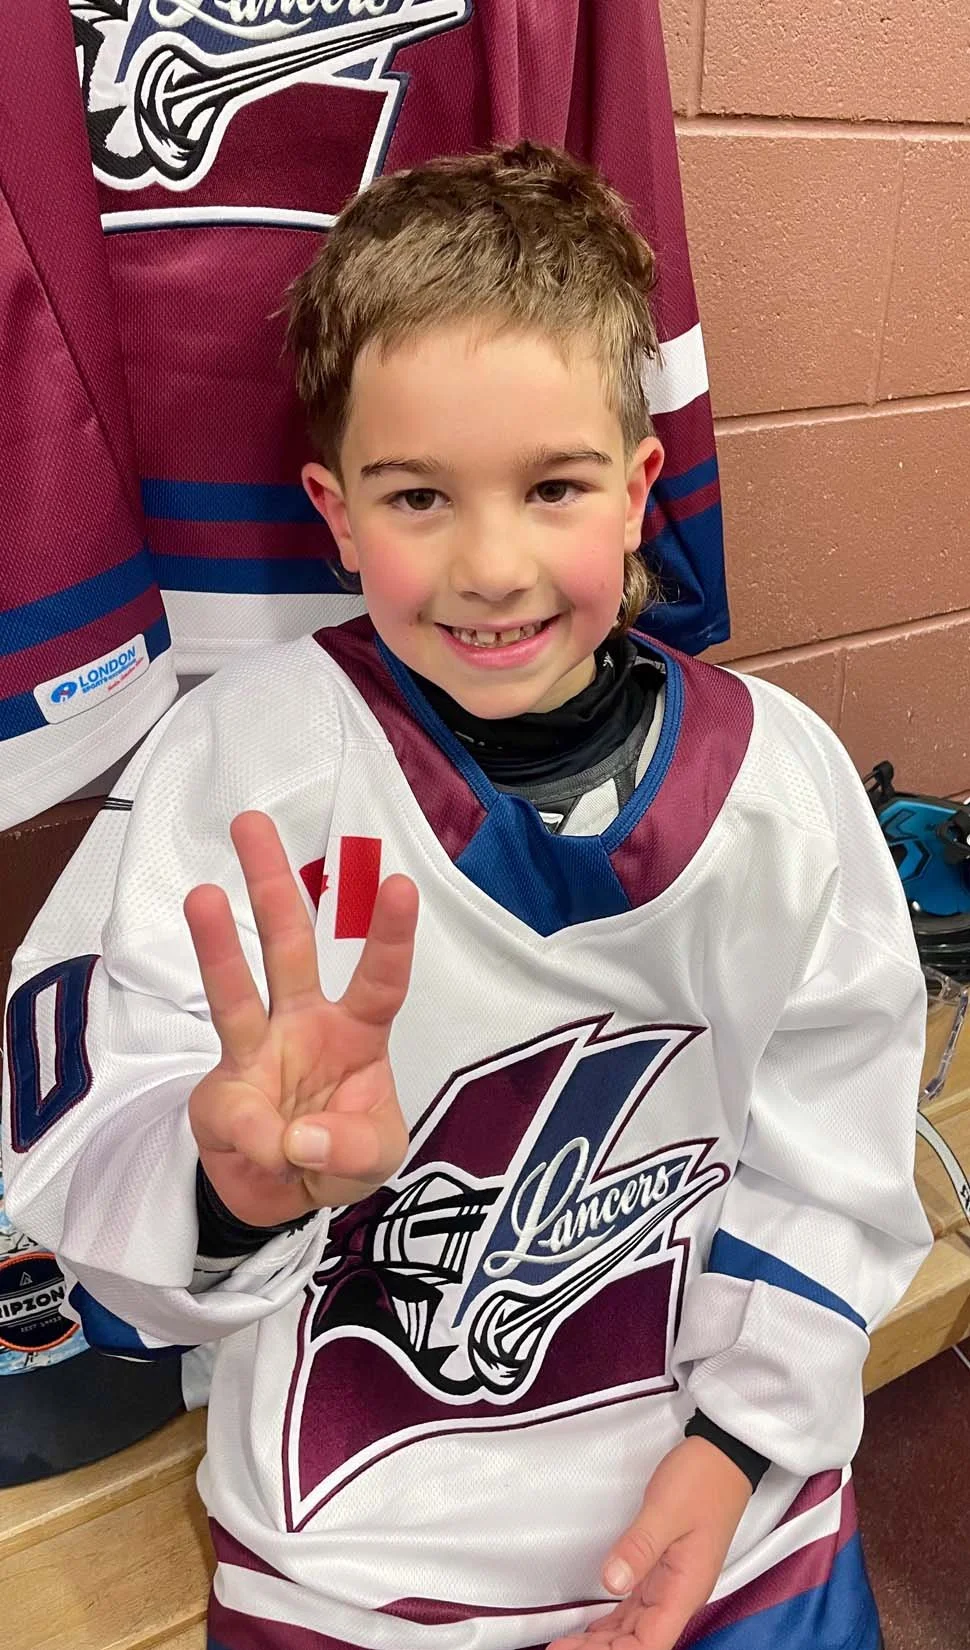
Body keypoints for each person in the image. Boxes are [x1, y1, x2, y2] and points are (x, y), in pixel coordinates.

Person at [2, 143, 930, 1650]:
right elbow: (81, 1146)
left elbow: (830, 1146)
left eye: (550, 486)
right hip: (360, 1580)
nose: (490, 565)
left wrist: (745, 1440)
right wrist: (224, 1185)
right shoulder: (240, 766)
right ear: (334, 509)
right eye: (419, 495)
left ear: (636, 490)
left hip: (726, 1530)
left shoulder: (779, 781)